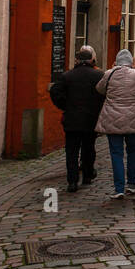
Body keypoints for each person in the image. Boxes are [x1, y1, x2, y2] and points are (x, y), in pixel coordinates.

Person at [95, 48, 135, 198]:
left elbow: (99, 89)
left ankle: (119, 188)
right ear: (132, 61)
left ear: (116, 62)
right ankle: (132, 183)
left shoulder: (109, 73)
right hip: (133, 118)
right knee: (133, 151)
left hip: (112, 118)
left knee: (116, 153)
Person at [48, 45, 103, 192]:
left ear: (77, 60)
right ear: (91, 60)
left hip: (72, 119)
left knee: (71, 151)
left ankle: (72, 181)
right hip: (91, 119)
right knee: (88, 148)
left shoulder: (67, 76)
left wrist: (64, 105)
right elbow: (104, 95)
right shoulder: (98, 76)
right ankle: (87, 175)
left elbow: (55, 92)